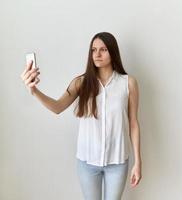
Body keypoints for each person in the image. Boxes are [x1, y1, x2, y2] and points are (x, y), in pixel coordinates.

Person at [20, 32, 142, 200]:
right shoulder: (81, 83)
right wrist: (34, 91)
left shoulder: (128, 83)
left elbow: (133, 123)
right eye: (93, 50)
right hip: (87, 163)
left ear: (113, 52)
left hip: (118, 161)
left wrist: (138, 161)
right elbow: (57, 107)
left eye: (103, 49)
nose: (97, 54)